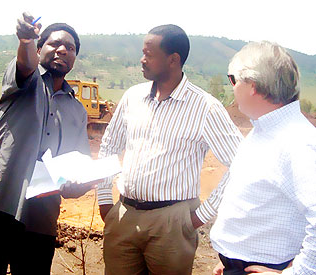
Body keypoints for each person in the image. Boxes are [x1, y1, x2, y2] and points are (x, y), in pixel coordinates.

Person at [97, 24, 243, 274]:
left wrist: (201, 215)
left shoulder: (205, 107)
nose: (142, 60)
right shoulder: (133, 97)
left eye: (149, 54)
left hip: (172, 224)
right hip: (124, 215)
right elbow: (109, 145)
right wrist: (103, 199)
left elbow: (241, 164)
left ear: (173, 59)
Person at [0, 12, 96, 275]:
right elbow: (25, 64)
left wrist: (79, 184)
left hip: (42, 219)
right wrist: (24, 40)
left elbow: (79, 164)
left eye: (70, 48)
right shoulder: (24, 82)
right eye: (54, 43)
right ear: (38, 48)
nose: (62, 50)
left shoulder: (77, 111)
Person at [210, 41, 316, 275]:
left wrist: (298, 273)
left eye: (233, 80)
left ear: (253, 86)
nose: (232, 88)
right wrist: (230, 258)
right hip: (240, 265)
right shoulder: (264, 130)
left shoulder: (298, 143)